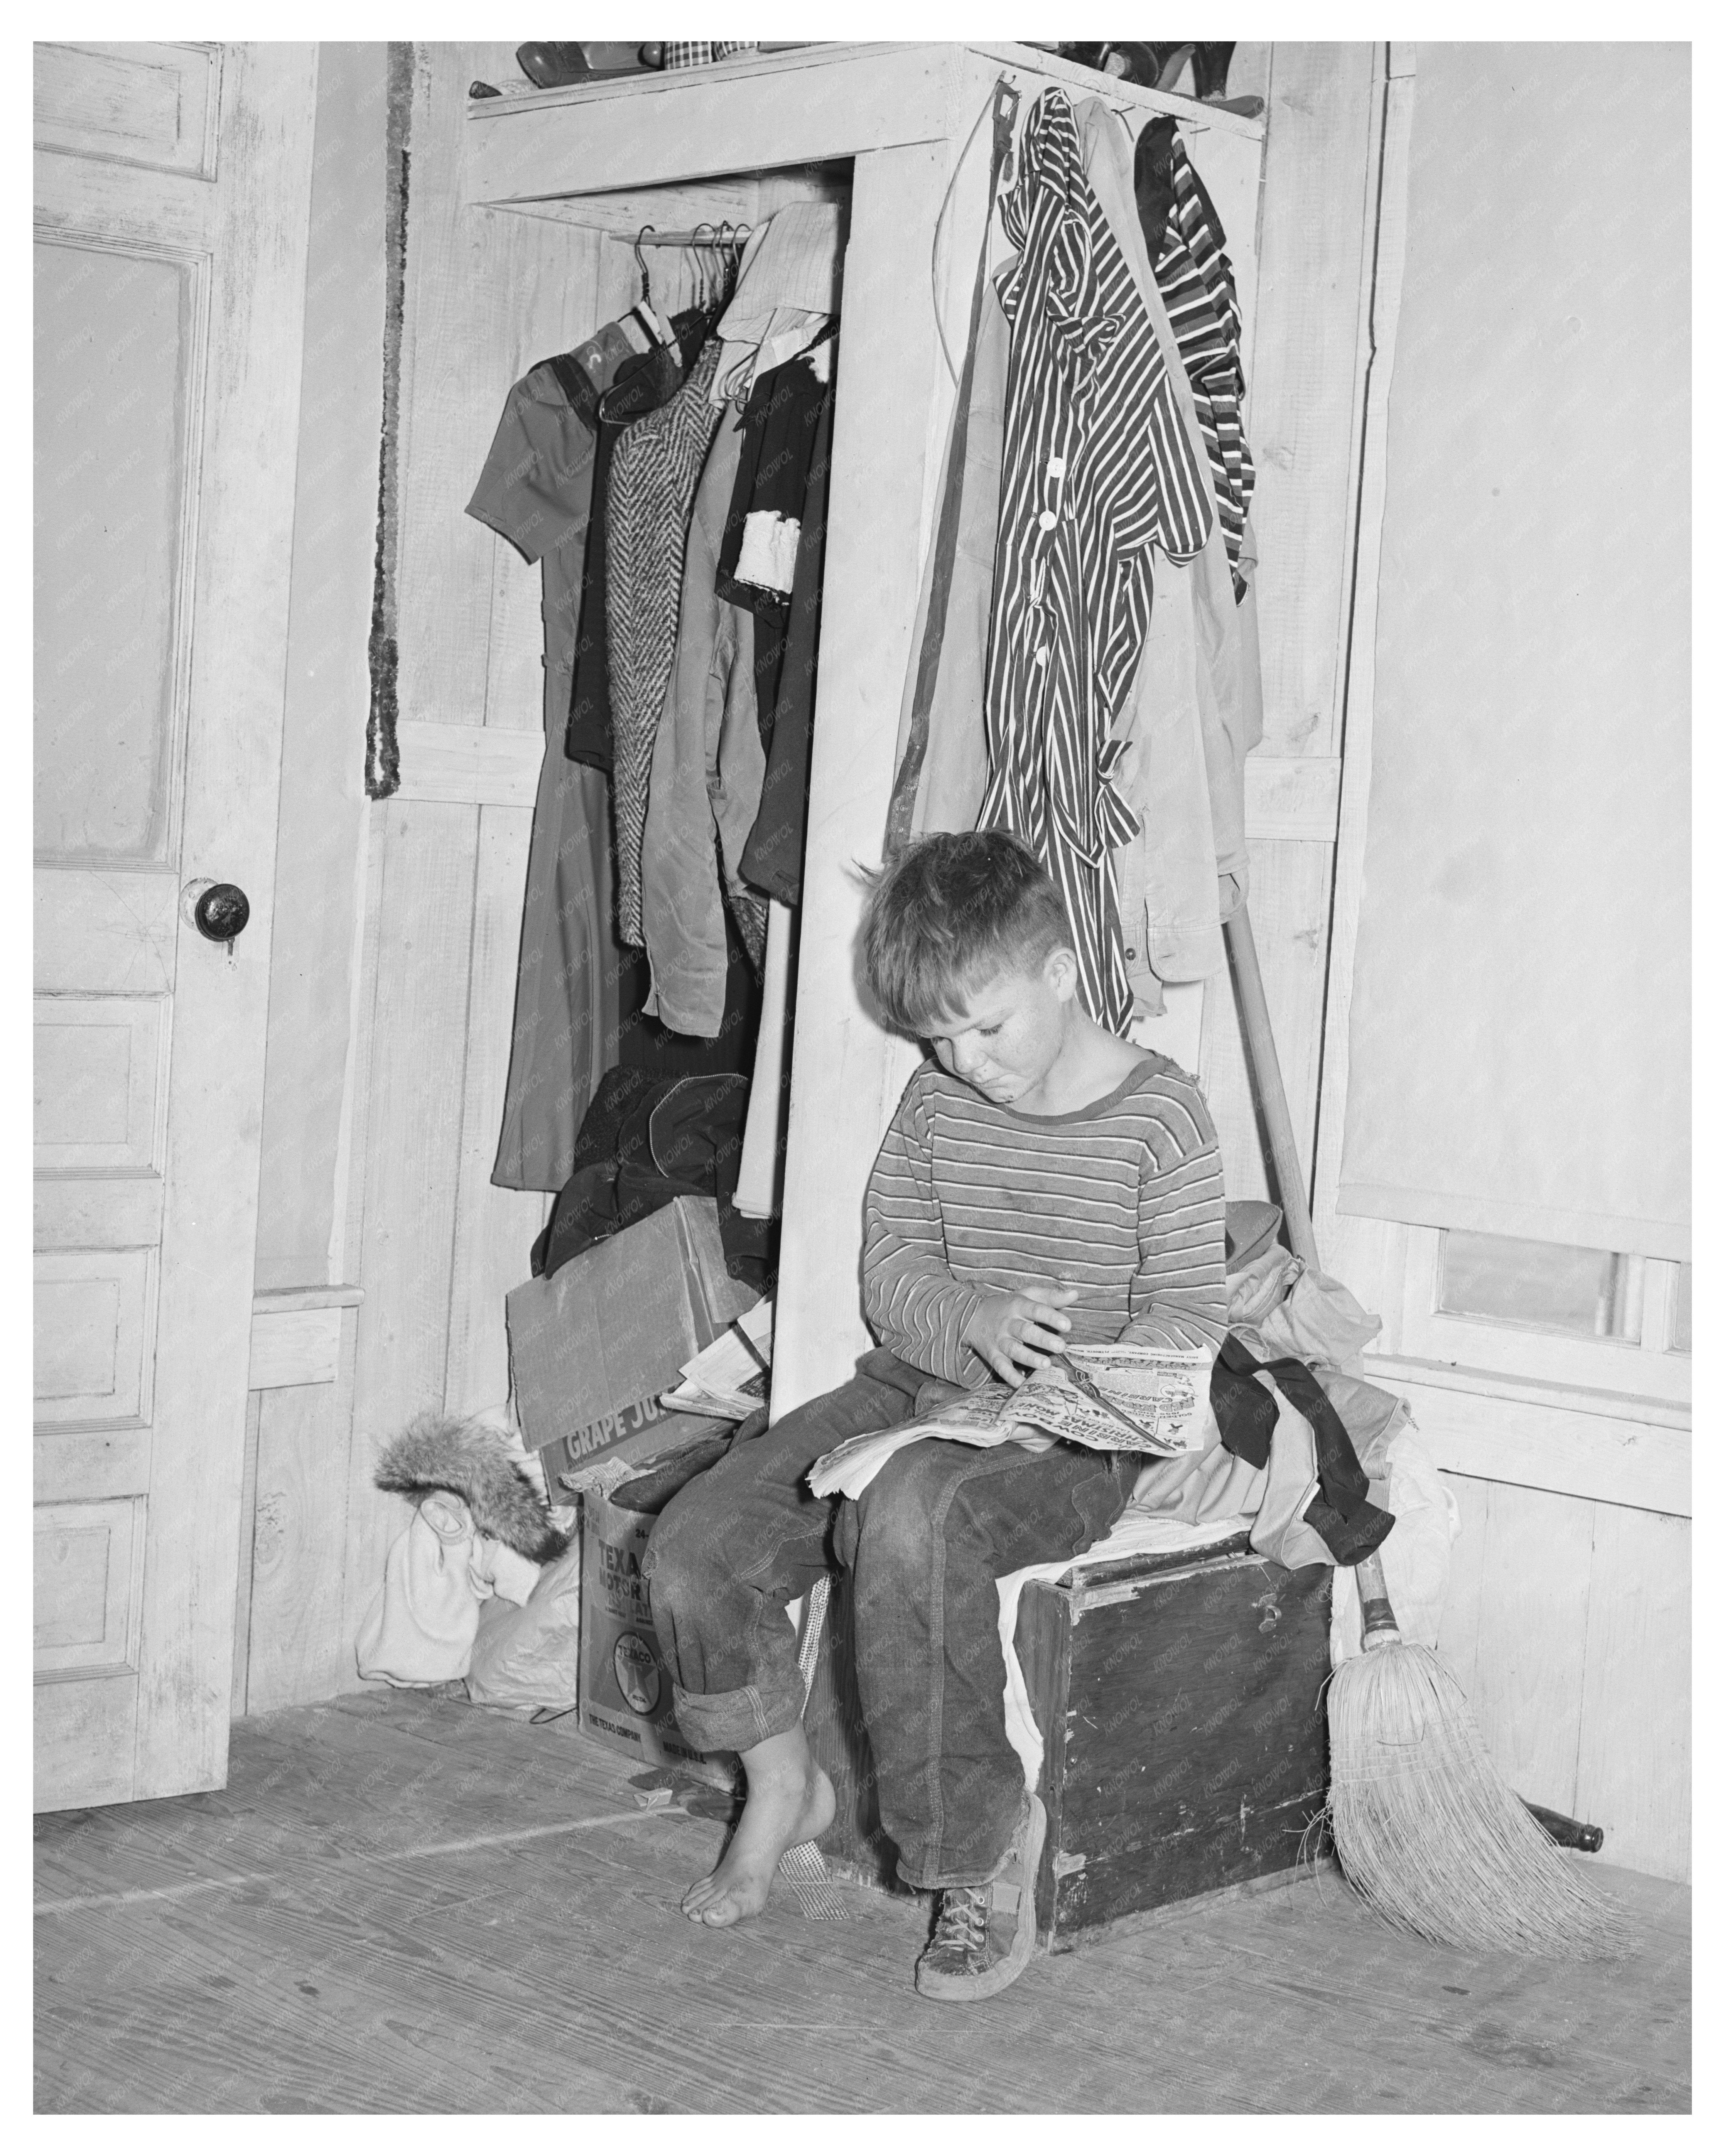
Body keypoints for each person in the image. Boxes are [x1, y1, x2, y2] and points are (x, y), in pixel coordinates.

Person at [643, 832, 1227, 2000]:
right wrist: (973, 1318)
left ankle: (975, 1853)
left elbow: (1187, 1317)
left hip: (1070, 1436)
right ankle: (784, 1786)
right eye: (938, 1040)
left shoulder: (1163, 1118)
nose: (967, 1063)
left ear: (1060, 972)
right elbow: (894, 1274)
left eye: (989, 1028)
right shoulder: (936, 1097)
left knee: (913, 1514)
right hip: (914, 1392)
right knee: (694, 1547)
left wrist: (1076, 1392)